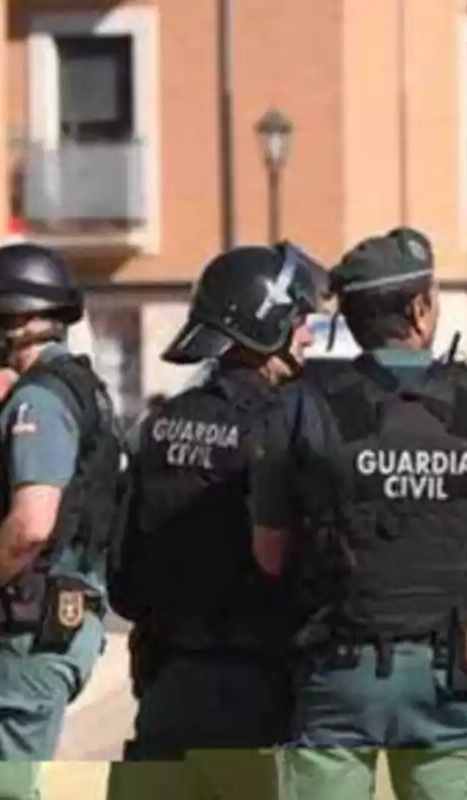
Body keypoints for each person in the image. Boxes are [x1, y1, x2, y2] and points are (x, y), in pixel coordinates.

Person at [250, 227, 467, 800]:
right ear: (419, 307)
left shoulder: (304, 405)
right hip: (452, 673)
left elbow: (270, 556)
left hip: (340, 667)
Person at [106, 243, 325, 800]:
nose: (306, 332)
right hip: (259, 691)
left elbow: (124, 578)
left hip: (168, 688)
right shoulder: (284, 427)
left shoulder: (158, 426)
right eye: (298, 317)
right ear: (264, 322)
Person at [0, 242, 124, 800]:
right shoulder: (73, 388)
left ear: (19, 319)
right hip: (48, 619)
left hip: (34, 624)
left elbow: (30, 526)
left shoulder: (39, 402)